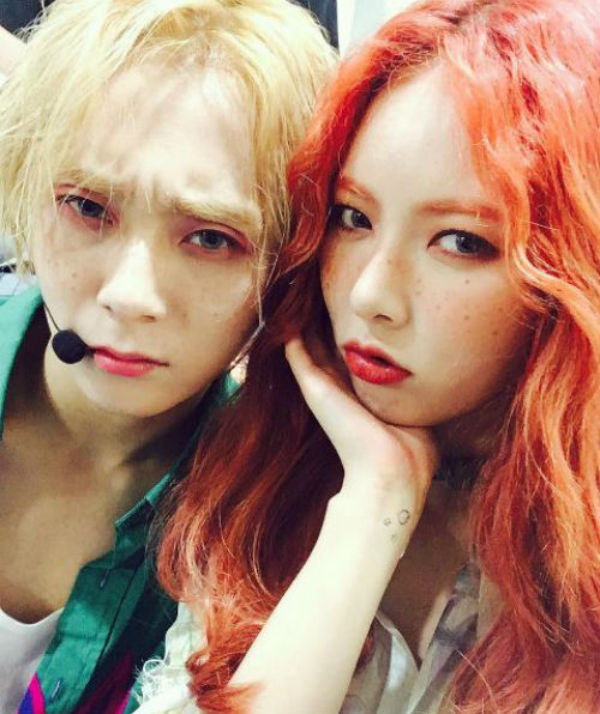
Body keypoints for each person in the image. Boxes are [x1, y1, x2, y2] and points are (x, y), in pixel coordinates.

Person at [135, 0, 600, 713]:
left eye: (461, 241)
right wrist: (373, 502)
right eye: (353, 218)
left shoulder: (576, 564)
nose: (371, 294)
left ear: (566, 275)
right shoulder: (268, 462)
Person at [0, 1, 334, 713]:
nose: (129, 295)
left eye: (211, 238)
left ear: (288, 261)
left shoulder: (270, 516)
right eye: (88, 207)